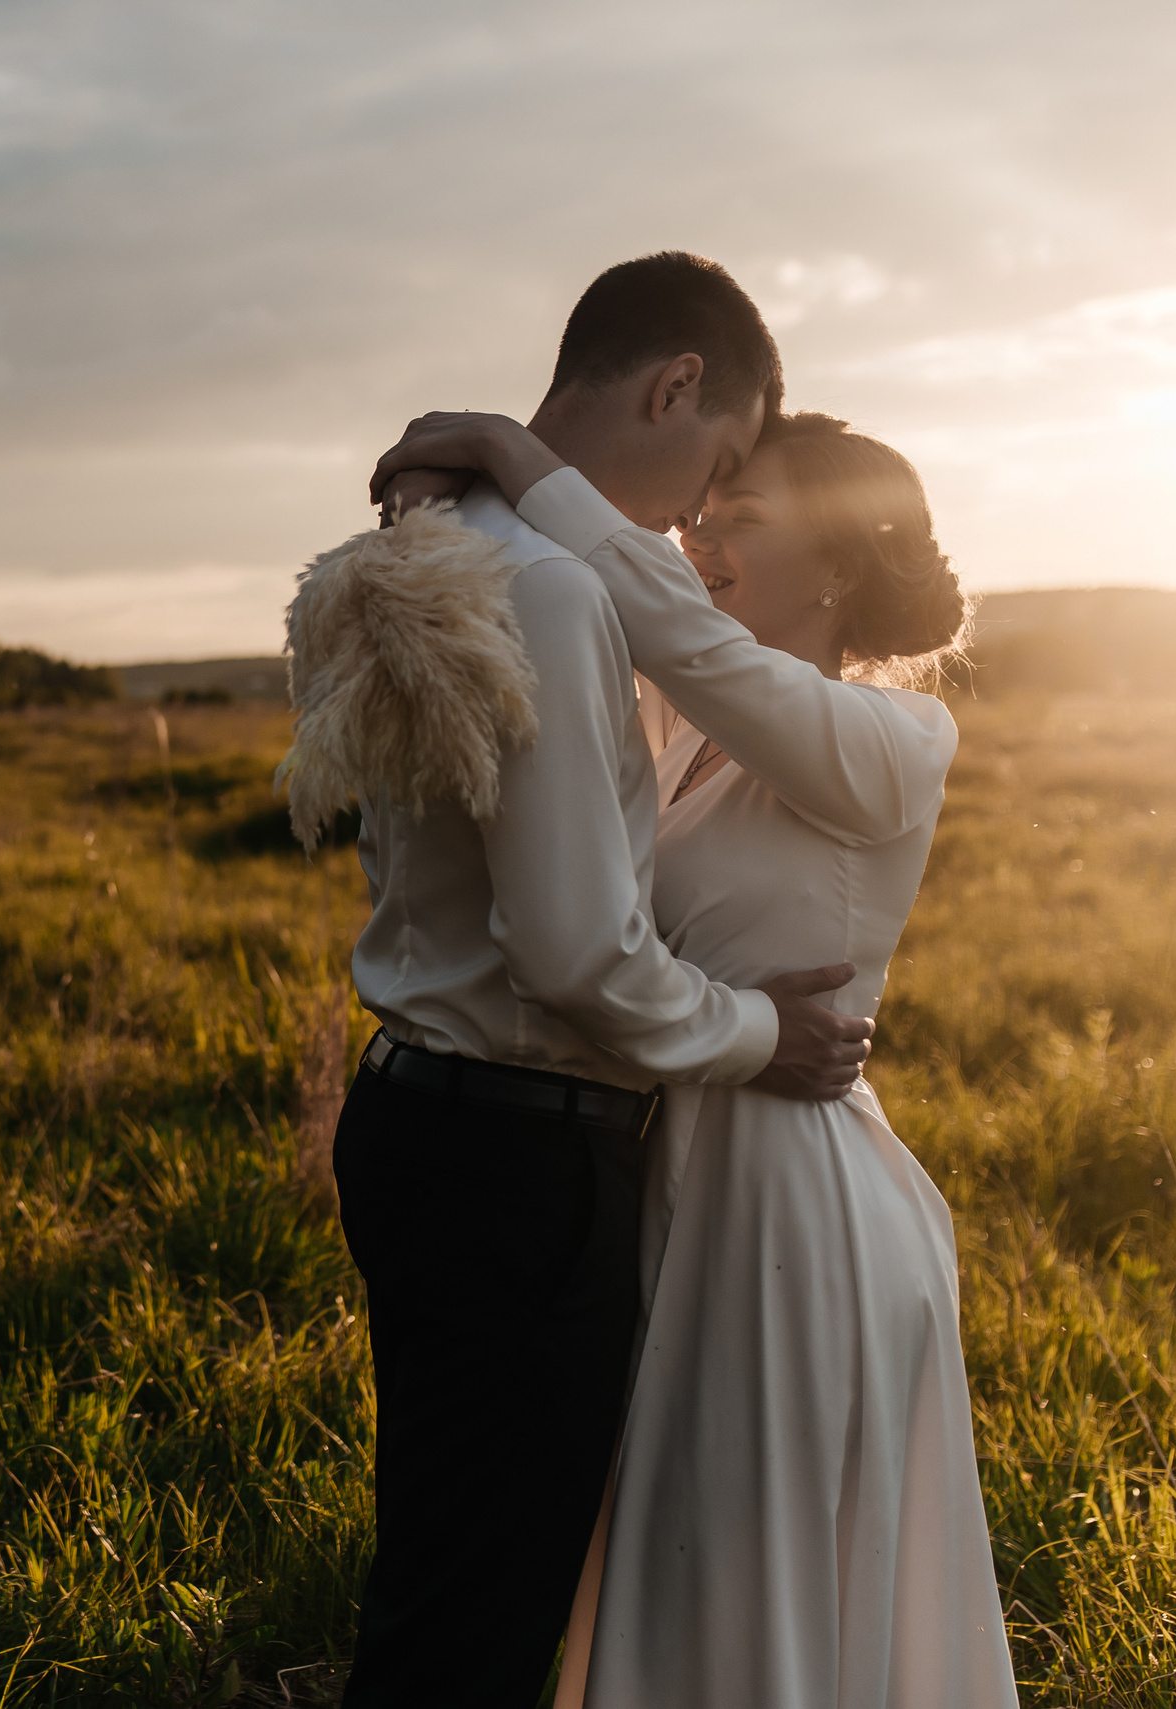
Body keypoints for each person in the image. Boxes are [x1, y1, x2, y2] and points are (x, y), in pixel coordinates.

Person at [296, 253, 876, 1707]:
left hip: (419, 1121)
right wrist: (757, 1031)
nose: (698, 517)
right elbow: (573, 951)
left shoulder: (423, 548)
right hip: (519, 1159)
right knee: (478, 1628)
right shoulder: (551, 592)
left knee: (439, 1577)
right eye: (720, 463)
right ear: (677, 385)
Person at [370, 406, 1019, 1705]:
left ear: (836, 562)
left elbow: (667, 624)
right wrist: (443, 506)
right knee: (679, 1563)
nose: (701, 542)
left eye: (744, 523)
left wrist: (515, 450)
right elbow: (596, 632)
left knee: (752, 1571)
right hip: (670, 1169)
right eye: (700, 520)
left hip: (790, 1196)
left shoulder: (894, 742)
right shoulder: (682, 729)